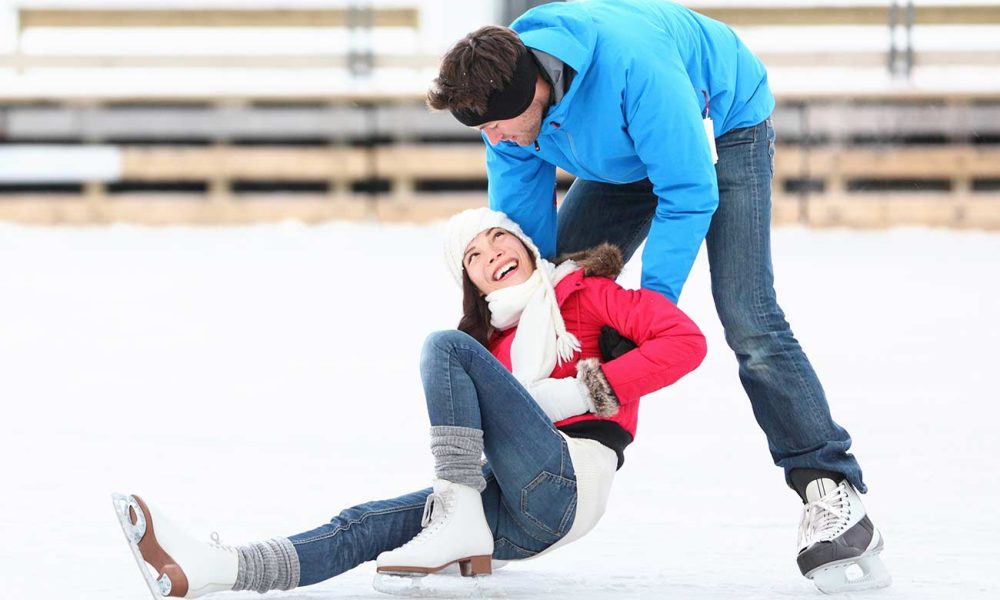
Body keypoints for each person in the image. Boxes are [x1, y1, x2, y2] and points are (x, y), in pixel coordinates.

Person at [426, 0, 890, 592]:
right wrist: (527, 302)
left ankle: (830, 487)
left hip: (723, 125)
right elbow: (527, 250)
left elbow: (688, 192)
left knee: (749, 317)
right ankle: (532, 467)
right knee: (555, 290)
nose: (493, 139)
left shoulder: (634, 68)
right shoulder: (501, 94)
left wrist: (650, 311)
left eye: (496, 125)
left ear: (533, 90)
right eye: (483, 130)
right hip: (628, 150)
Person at [112, 207, 706, 598]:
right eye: (473, 256)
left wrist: (583, 390)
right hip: (524, 518)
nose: (491, 253)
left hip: (573, 476)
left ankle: (457, 515)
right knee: (364, 523)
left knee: (444, 347)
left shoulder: (586, 293)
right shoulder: (490, 351)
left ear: (524, 243)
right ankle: (220, 569)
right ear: (473, 283)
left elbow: (686, 342)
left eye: (498, 235)